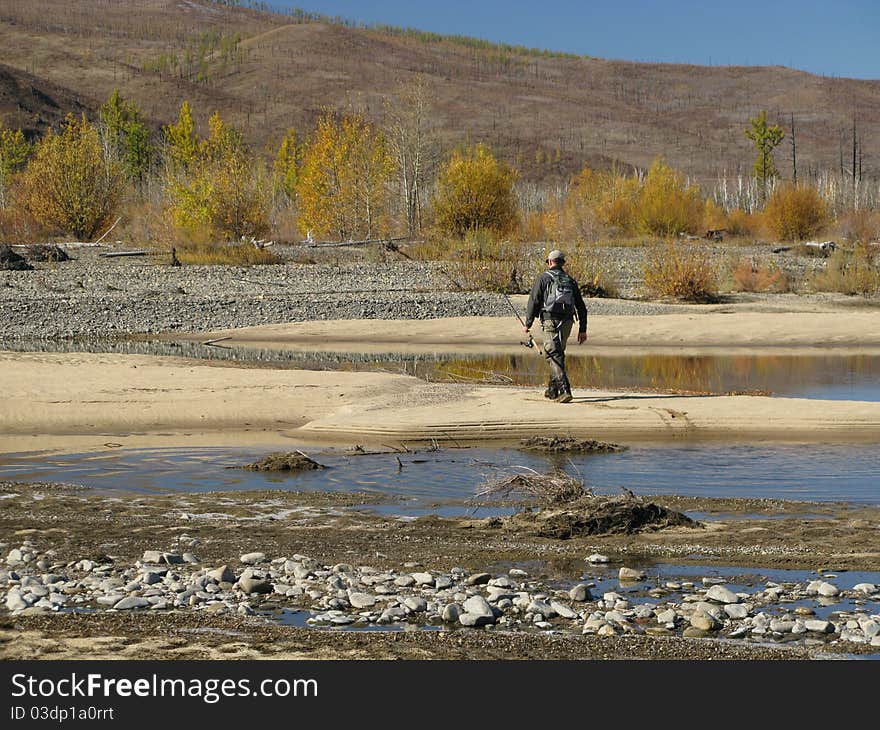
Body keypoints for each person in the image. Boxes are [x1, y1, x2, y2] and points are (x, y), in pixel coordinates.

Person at [523, 250, 588, 403]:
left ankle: (565, 390)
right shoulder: (570, 280)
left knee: (552, 354)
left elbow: (534, 301)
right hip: (567, 322)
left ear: (550, 262)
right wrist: (583, 329)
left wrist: (528, 323)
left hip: (550, 321)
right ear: (562, 263)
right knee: (557, 353)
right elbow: (581, 307)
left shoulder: (544, 278)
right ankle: (553, 390)